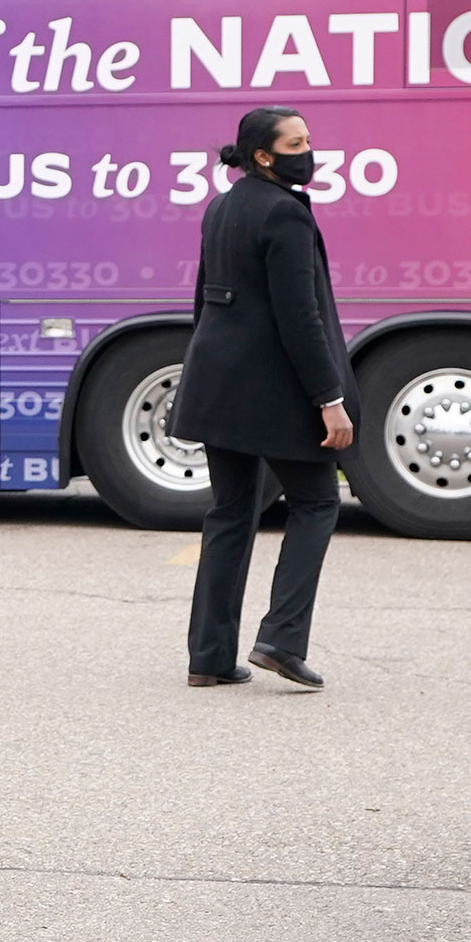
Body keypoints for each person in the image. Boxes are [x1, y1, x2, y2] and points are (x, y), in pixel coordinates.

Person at [170, 105, 358, 691]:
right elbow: (301, 319)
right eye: (297, 141)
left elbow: (204, 303)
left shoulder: (222, 207)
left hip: (220, 386)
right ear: (263, 155)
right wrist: (328, 397)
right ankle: (281, 637)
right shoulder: (285, 214)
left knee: (230, 511)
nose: (309, 149)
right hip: (273, 392)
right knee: (318, 501)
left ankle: (210, 656)